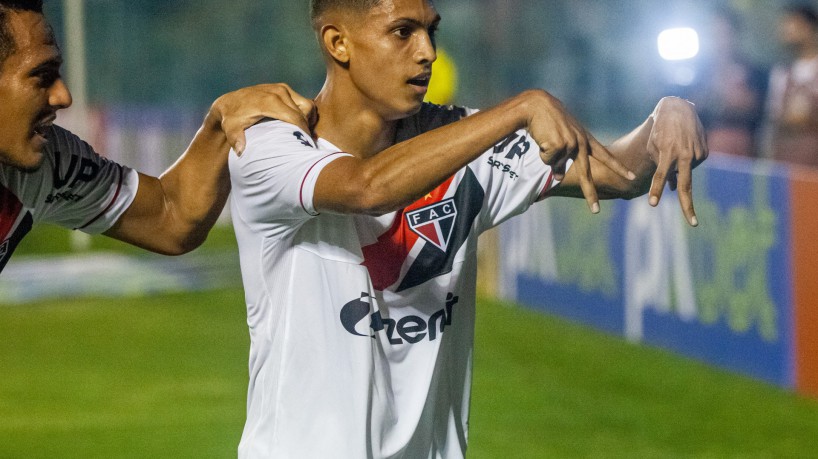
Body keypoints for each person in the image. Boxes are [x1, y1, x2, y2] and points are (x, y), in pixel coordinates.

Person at [228, 0, 707, 457]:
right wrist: (521, 107)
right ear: (338, 43)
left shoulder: (465, 147)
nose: (428, 52)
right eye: (403, 32)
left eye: (430, 30)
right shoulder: (272, 147)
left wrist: (668, 114)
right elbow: (365, 188)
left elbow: (618, 174)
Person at [0, 0, 314, 273]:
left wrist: (219, 125)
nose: (63, 96)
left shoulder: (49, 164)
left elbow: (169, 217)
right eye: (42, 77)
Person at [681, 7, 766, 158]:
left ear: (735, 35)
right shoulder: (701, 73)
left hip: (743, 149)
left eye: (724, 33)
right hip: (709, 148)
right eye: (715, 34)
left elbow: (757, 108)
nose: (720, 39)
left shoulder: (753, 72)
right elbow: (691, 107)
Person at [766, 4, 818, 167]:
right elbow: (772, 118)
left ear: (810, 28)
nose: (787, 30)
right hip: (784, 162)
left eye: (793, 23)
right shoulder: (781, 74)